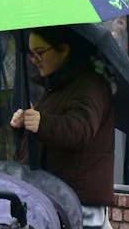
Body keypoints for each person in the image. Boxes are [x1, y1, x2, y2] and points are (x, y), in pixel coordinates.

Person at [11, 26, 117, 211]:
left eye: (40, 53)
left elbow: (80, 131)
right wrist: (23, 125)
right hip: (56, 198)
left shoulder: (89, 86)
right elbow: (47, 138)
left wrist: (41, 123)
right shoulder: (57, 85)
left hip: (76, 205)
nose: (34, 60)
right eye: (31, 53)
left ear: (65, 50)